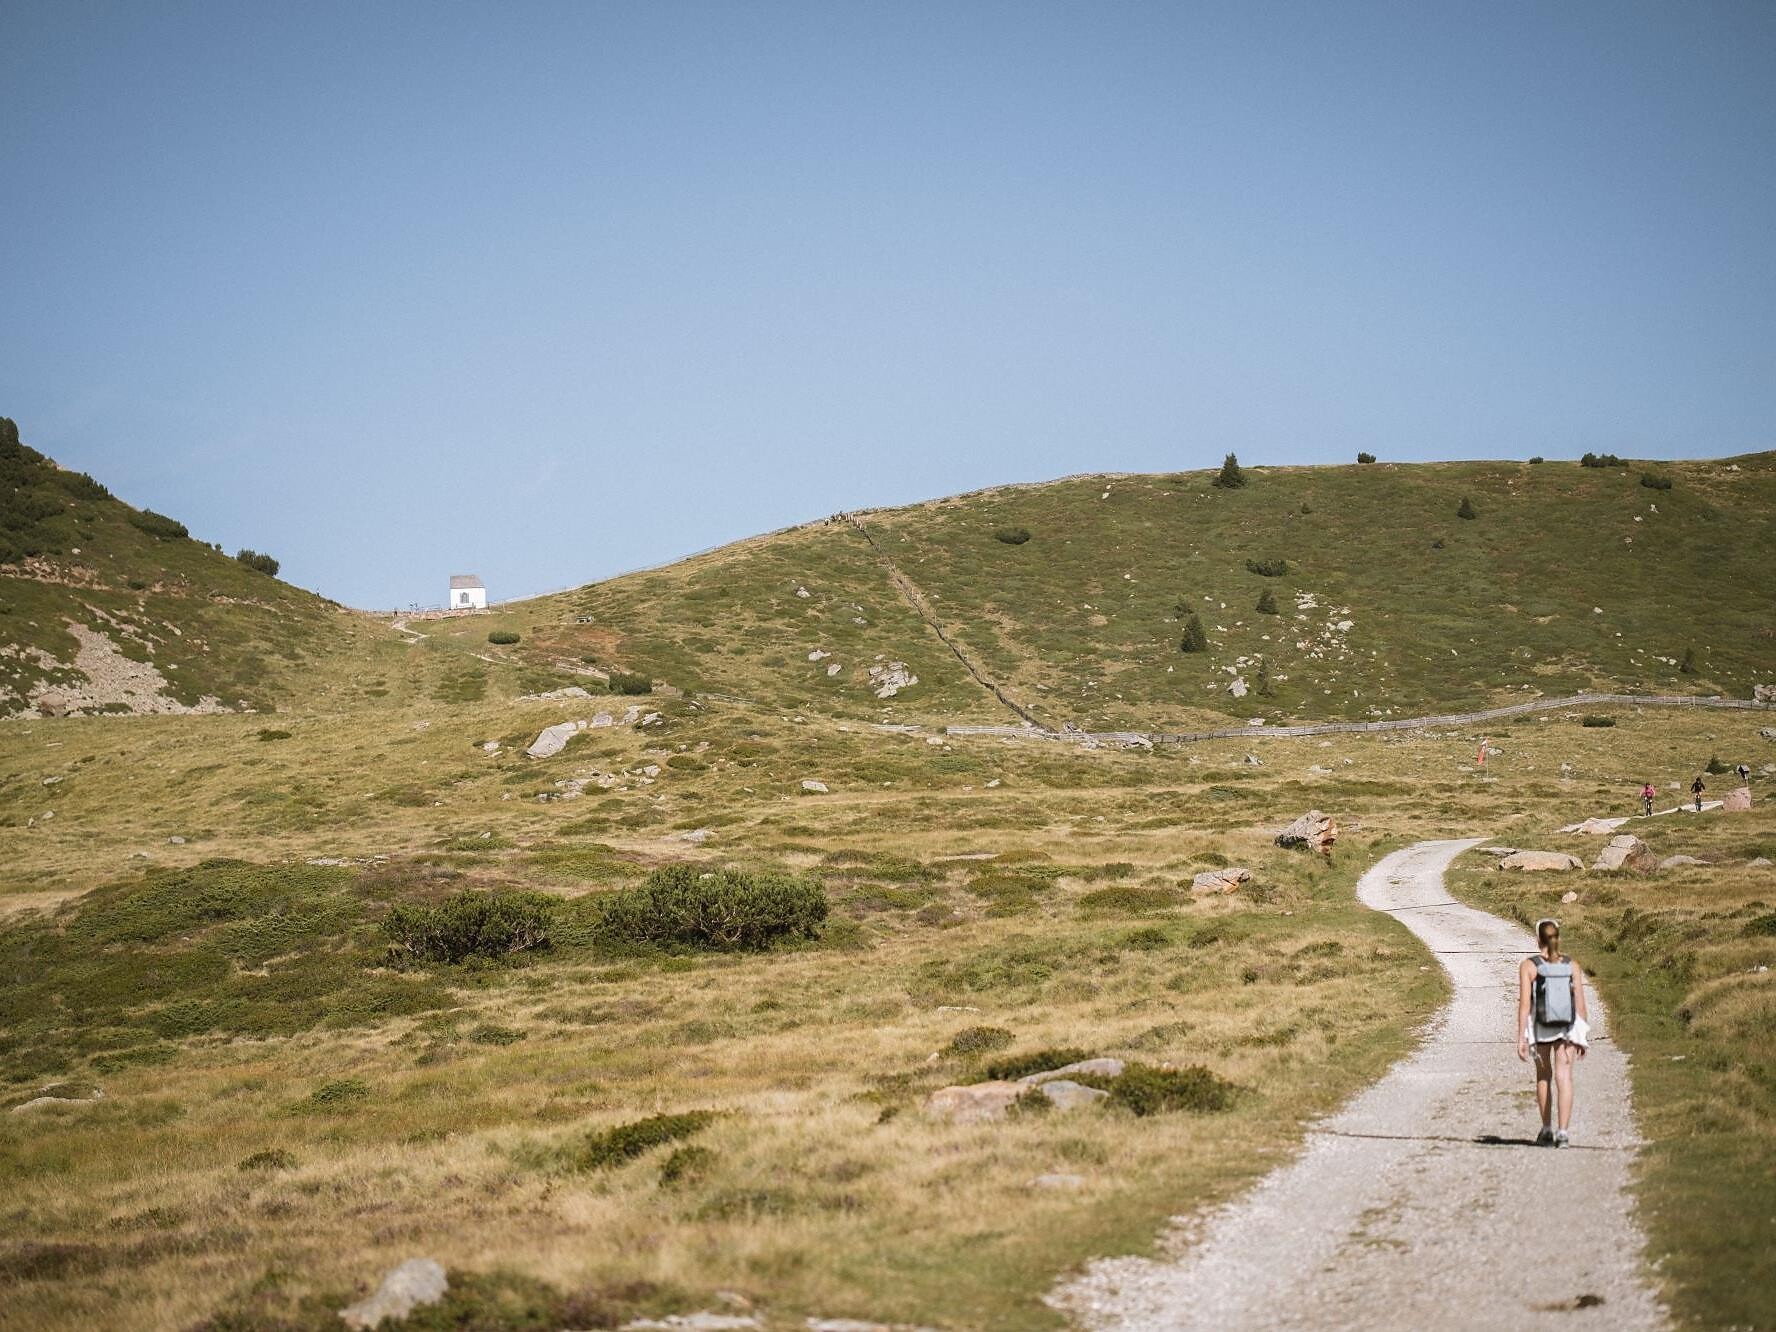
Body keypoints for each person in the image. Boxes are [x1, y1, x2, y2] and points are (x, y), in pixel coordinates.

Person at [1518, 918, 1589, 1146]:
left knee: (1544, 1075)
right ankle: (1563, 1133)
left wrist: (1522, 1036)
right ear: (1558, 937)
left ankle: (1547, 1129)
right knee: (1564, 1077)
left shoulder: (1529, 966)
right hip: (1566, 1028)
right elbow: (1580, 1004)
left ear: (1538, 939)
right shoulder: (1572, 966)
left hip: (1541, 1027)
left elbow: (1525, 1005)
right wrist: (1581, 1036)